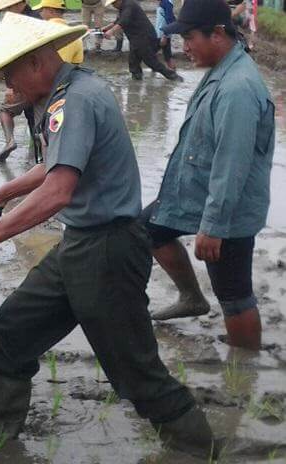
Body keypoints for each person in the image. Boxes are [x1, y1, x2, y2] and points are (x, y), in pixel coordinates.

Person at [0, 12, 218, 459]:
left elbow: (57, 191)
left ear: (35, 63)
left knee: (134, 370)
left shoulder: (77, 99)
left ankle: (196, 449)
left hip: (108, 250)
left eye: (9, 74)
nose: (7, 87)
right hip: (80, 243)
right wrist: (2, 192)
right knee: (13, 329)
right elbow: (52, 163)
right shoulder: (62, 95)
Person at [142, 0, 274, 352]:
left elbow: (232, 164)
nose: (184, 47)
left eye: (189, 38)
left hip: (228, 208)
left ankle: (244, 369)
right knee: (150, 228)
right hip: (197, 192)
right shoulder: (220, 72)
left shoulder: (237, 89)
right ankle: (191, 297)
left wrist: (213, 226)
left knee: (233, 294)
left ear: (217, 34)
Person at [0, 0, 41, 162]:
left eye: (9, 8)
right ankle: (41, 157)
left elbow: (12, 57)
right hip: (43, 78)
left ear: (20, 4)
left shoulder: (21, 24)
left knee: (6, 110)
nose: (7, 12)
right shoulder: (38, 19)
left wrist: (11, 86)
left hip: (26, 80)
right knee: (35, 117)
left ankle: (10, 142)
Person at [103, 0, 182, 80]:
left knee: (151, 61)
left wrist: (111, 31)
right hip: (135, 39)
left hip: (143, 37)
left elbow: (124, 21)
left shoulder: (129, 5)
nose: (113, 6)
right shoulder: (123, 8)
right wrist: (105, 28)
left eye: (113, 3)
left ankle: (173, 76)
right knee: (133, 61)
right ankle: (136, 78)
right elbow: (118, 21)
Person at [32, 0, 84, 64]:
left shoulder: (39, 33)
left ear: (51, 11)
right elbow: (76, 65)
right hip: (65, 73)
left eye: (41, 10)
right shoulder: (76, 37)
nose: (40, 13)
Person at [155, 0, 176, 69]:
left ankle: (173, 74)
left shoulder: (166, 3)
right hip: (161, 33)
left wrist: (165, 35)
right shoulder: (164, 3)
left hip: (162, 34)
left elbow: (169, 19)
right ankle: (173, 73)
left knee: (151, 53)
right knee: (167, 55)